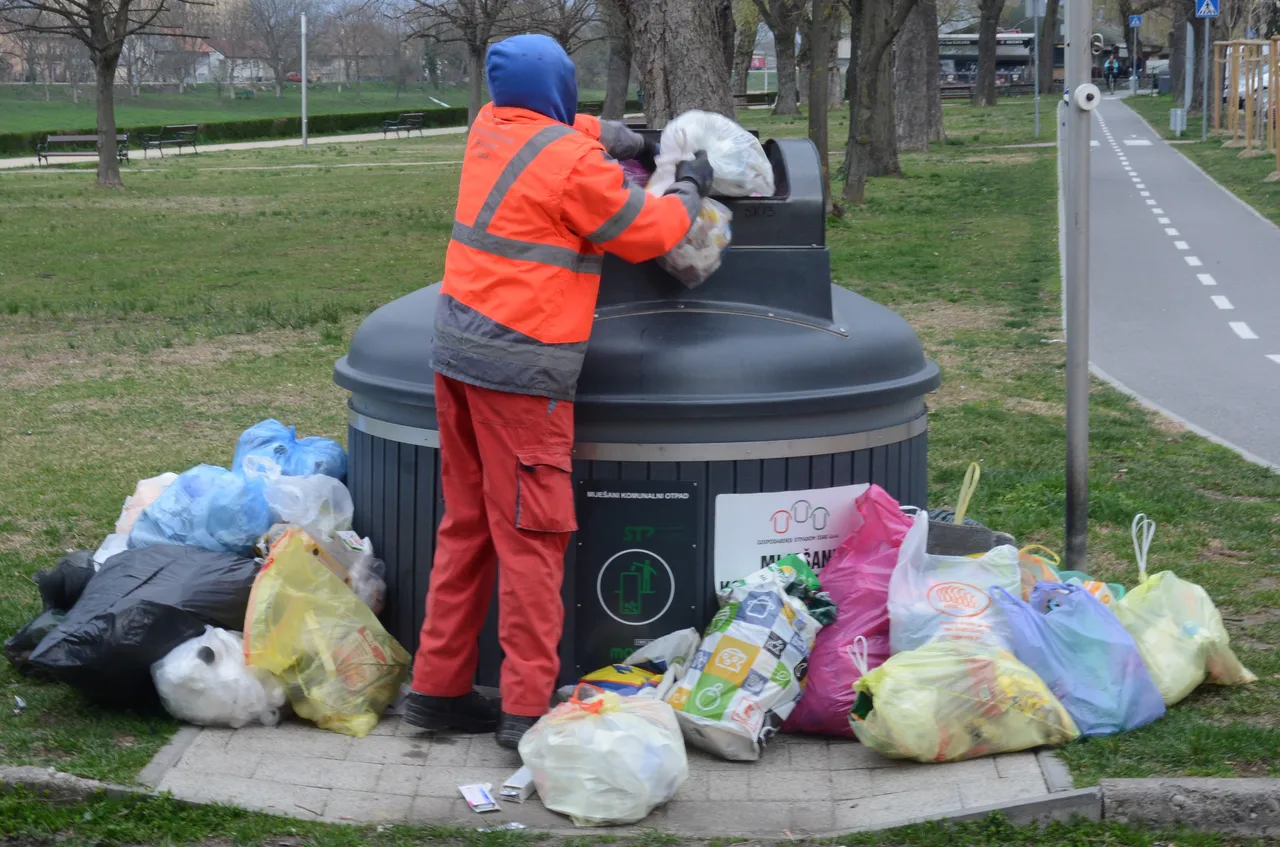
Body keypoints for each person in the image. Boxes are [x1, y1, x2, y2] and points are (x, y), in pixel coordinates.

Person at [401, 33, 716, 749]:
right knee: (533, 540)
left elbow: (570, 127)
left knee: (467, 528)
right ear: (562, 87)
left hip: (456, 358)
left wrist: (636, 136)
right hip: (523, 373)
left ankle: (437, 690)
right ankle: (524, 710)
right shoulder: (572, 165)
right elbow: (650, 232)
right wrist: (690, 179)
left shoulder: (489, 126)